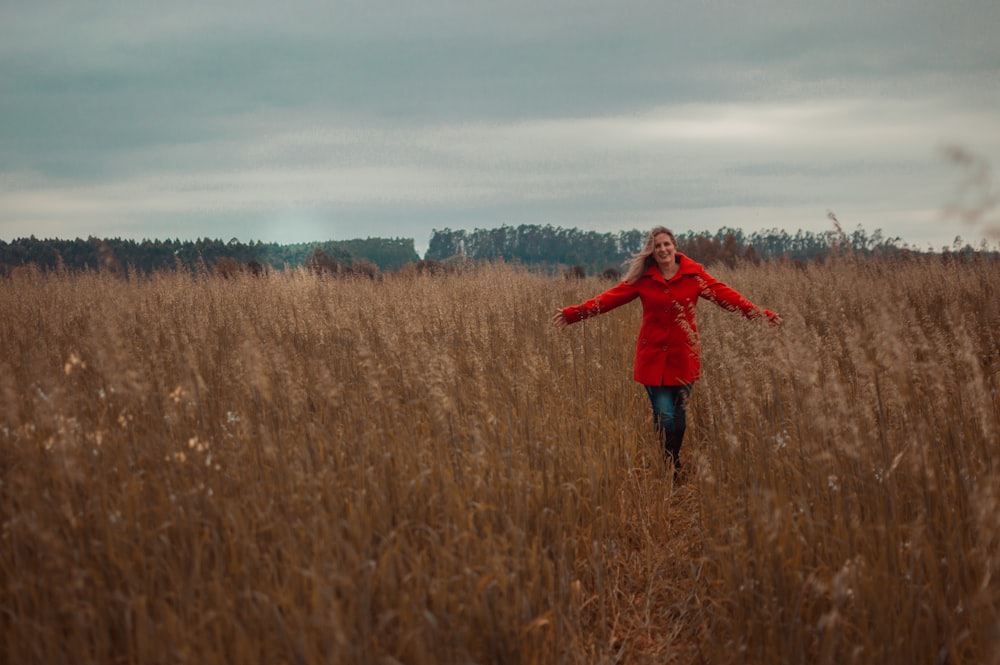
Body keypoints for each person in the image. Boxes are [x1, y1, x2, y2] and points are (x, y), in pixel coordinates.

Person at [551, 226, 780, 476]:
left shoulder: (695, 276)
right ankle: (670, 465)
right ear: (652, 251)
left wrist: (761, 316)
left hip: (683, 357)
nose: (663, 249)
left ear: (675, 246)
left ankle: (672, 459)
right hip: (653, 360)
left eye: (666, 244)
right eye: (657, 246)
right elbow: (608, 299)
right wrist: (573, 314)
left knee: (679, 420)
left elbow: (728, 298)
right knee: (664, 416)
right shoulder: (643, 280)